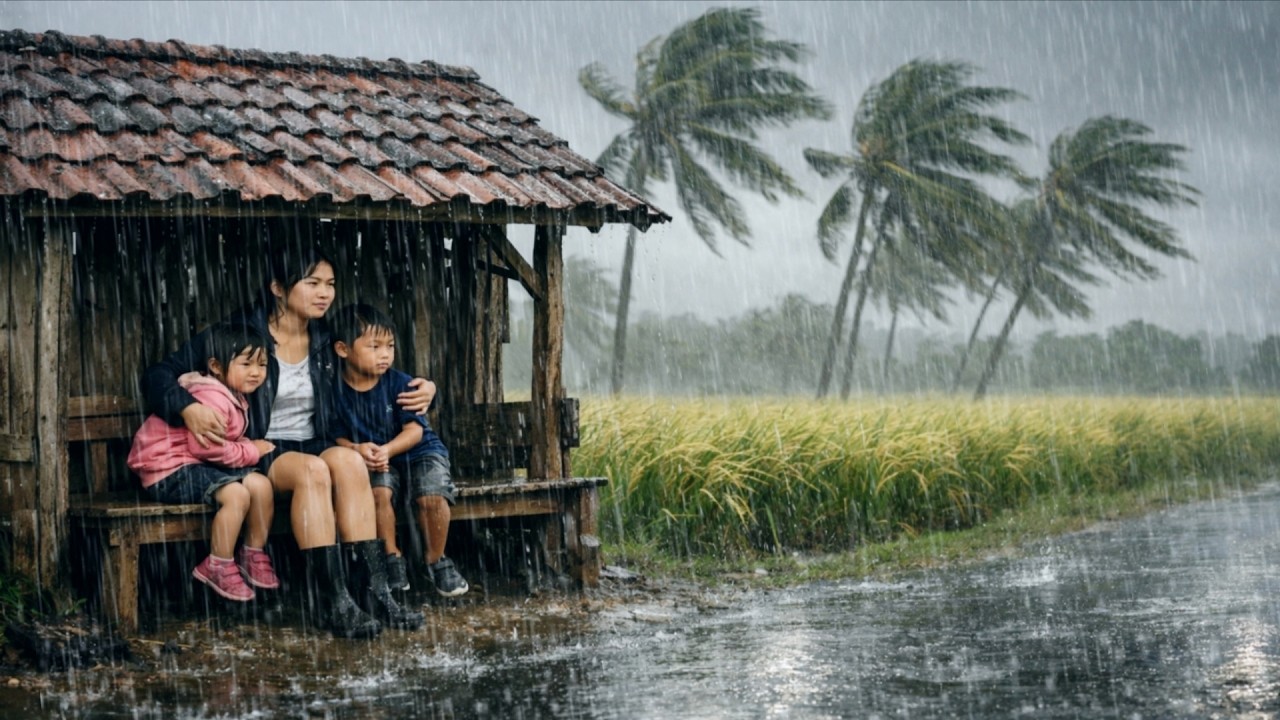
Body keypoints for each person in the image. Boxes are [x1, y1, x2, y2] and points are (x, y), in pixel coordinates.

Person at [142, 238, 429, 638]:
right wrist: (187, 407)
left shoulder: (331, 338)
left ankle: (376, 593)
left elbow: (380, 366)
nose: (324, 293)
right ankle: (334, 601)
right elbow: (158, 374)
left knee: (348, 463)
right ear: (279, 287)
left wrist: (425, 388)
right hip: (261, 447)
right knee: (313, 472)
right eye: (312, 283)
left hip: (316, 441)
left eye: (329, 283)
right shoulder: (243, 332)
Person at [128, 323, 279, 603]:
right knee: (236, 494)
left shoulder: (232, 395)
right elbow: (206, 447)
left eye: (262, 364)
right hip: (166, 470)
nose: (256, 372)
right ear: (216, 366)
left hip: (194, 463)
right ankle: (218, 563)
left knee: (260, 484)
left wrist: (245, 449)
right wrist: (251, 451)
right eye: (246, 364)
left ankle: (252, 552)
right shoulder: (211, 397)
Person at [327, 304, 469, 598]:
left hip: (418, 451)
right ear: (343, 349)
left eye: (390, 346)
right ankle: (392, 558)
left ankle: (436, 560)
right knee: (378, 494)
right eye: (374, 346)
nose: (385, 354)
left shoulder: (401, 383)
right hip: (375, 458)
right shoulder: (334, 391)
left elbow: (415, 431)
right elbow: (335, 435)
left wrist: (387, 450)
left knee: (431, 494)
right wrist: (356, 448)